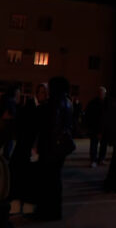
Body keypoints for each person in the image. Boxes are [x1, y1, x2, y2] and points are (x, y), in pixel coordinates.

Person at [33, 77, 74, 221]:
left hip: (50, 148)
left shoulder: (53, 104)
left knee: (46, 182)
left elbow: (46, 124)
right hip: (61, 148)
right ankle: (54, 212)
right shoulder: (68, 103)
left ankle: (45, 212)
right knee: (55, 181)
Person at [8, 83, 47, 216]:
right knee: (23, 176)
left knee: (28, 177)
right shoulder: (31, 108)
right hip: (26, 148)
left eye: (45, 92)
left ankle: (24, 204)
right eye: (42, 92)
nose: (44, 95)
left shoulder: (42, 108)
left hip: (30, 149)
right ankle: (19, 204)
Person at [85, 87, 108, 167]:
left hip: (104, 128)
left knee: (103, 145)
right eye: (100, 93)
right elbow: (89, 116)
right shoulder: (92, 103)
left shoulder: (107, 103)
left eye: (103, 93)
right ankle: (93, 160)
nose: (102, 94)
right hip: (94, 128)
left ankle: (101, 159)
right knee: (93, 145)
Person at [0, 86, 20, 160]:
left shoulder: (5, 100)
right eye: (18, 93)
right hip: (7, 128)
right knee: (8, 146)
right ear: (14, 93)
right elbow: (5, 115)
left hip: (5, 128)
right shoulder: (11, 101)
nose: (19, 95)